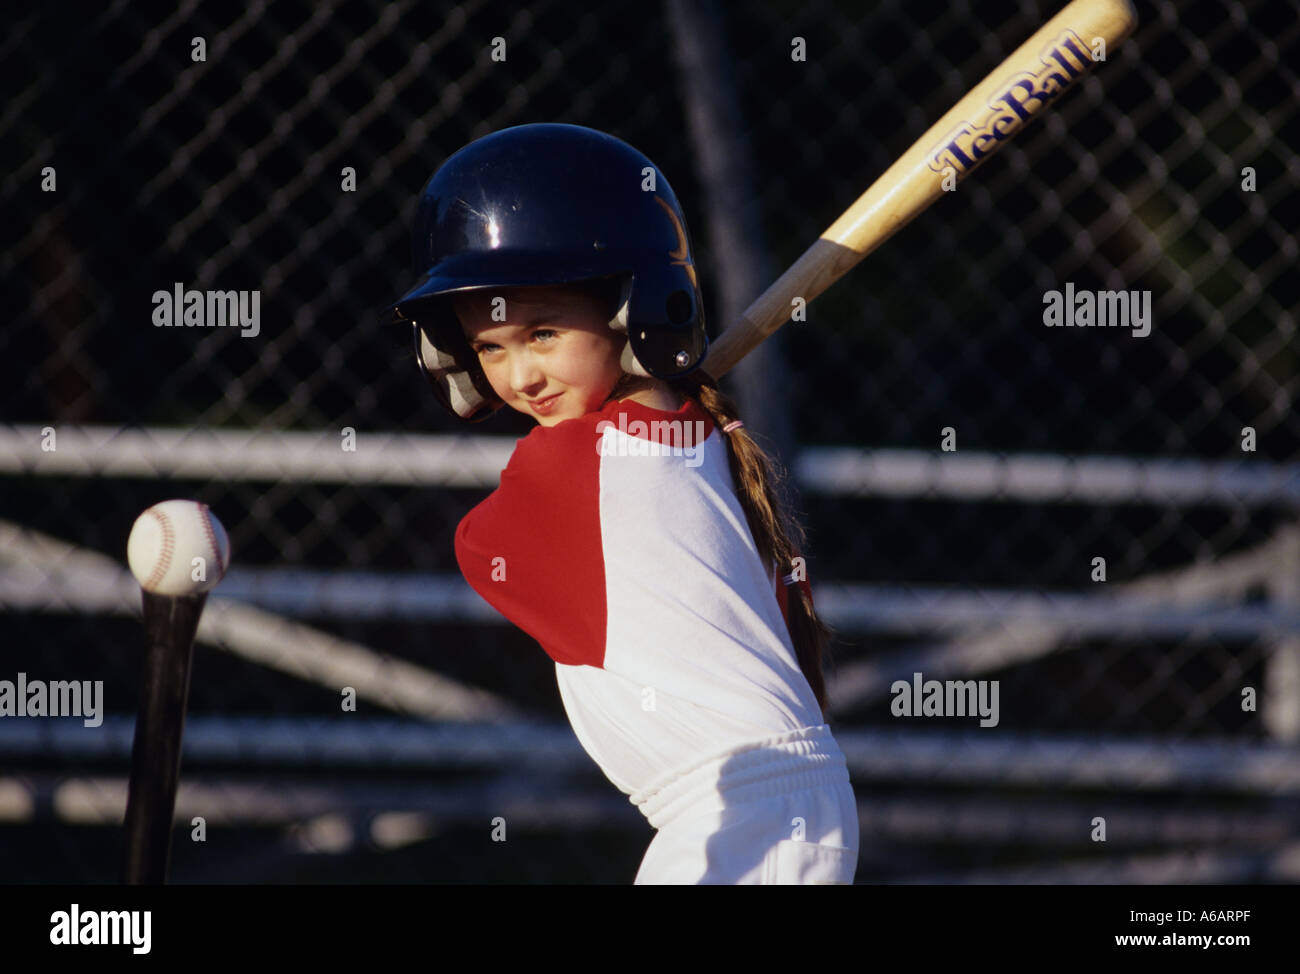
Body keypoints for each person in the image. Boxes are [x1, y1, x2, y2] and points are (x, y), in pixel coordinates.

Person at [389, 123, 858, 884]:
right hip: (758, 806)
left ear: (629, 310)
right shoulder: (697, 434)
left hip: (742, 808)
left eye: (542, 332)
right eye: (490, 347)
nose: (521, 377)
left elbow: (482, 551)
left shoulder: (573, 461)